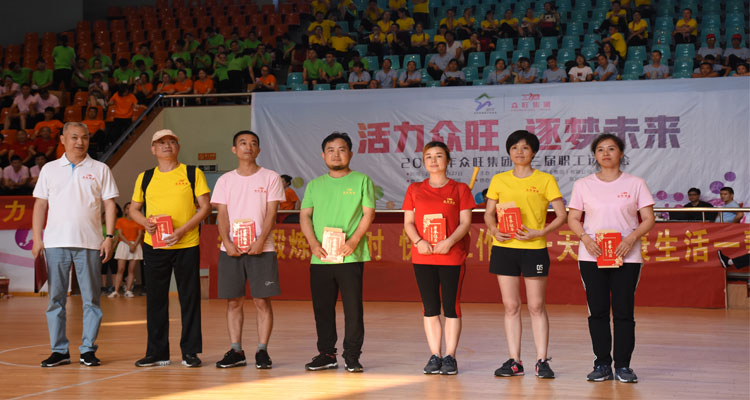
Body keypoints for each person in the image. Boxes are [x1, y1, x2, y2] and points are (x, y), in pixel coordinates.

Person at [567, 133, 656, 383]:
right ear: (595, 156)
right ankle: (602, 364)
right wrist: (586, 239)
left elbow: (648, 218)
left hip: (626, 256)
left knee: (623, 312)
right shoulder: (583, 185)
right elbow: (573, 218)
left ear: (621, 153)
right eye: (600, 150)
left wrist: (631, 238)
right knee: (597, 312)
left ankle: (624, 366)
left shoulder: (636, 183)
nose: (605, 153)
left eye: (611, 148)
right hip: (592, 256)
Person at [32, 121, 119, 367]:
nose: (80, 142)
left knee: (91, 299)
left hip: (90, 243)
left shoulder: (100, 168)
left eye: (85, 137)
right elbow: (40, 205)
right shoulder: (49, 169)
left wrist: (109, 237)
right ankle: (59, 351)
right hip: (55, 243)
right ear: (63, 139)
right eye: (74, 137)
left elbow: (110, 204)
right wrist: (37, 239)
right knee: (56, 300)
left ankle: (88, 349)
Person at [485, 130, 567, 379]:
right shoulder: (499, 180)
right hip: (504, 249)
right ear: (508, 152)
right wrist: (494, 230)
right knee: (511, 306)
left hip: (534, 249)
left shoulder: (545, 179)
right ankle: (515, 361)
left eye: (525, 148)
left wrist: (540, 232)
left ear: (534, 152)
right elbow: (489, 214)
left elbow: (562, 215)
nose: (519, 152)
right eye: (514, 148)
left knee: (536, 306)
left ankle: (542, 361)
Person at [129, 129, 211, 368]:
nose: (167, 145)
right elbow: (134, 208)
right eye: (161, 142)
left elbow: (205, 207)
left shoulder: (192, 173)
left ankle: (190, 352)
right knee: (156, 299)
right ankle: (157, 353)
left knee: (189, 297)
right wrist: (145, 222)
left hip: (187, 243)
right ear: (153, 149)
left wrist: (183, 230)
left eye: (172, 142)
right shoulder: (145, 177)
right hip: (154, 245)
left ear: (178, 146)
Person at [300, 132, 375, 373]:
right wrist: (313, 244)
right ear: (323, 155)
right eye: (330, 150)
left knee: (353, 309)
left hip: (350, 255)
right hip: (321, 256)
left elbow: (368, 214)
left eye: (341, 149)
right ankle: (327, 354)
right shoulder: (314, 185)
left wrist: (354, 240)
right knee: (322, 309)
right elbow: (305, 215)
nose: (336, 154)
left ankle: (352, 355)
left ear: (350, 154)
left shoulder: (361, 180)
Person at [212, 131, 285, 369]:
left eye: (253, 143)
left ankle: (262, 351)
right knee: (233, 301)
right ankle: (236, 351)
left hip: (262, 249)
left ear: (259, 150)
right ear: (234, 149)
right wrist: (227, 242)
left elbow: (272, 213)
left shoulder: (271, 177)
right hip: (231, 249)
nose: (248, 147)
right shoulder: (225, 180)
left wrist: (260, 240)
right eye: (242, 143)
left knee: (262, 300)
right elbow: (222, 215)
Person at [402, 141, 475, 375]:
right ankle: (435, 355)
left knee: (452, 306)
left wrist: (449, 242)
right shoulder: (414, 189)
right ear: (424, 161)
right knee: (430, 307)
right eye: (429, 156)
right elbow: (408, 222)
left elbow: (465, 223)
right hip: (423, 256)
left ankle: (450, 356)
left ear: (448, 160)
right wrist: (419, 242)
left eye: (439, 156)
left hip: (451, 256)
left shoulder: (460, 189)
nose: (434, 160)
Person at [110, 201, 144, 298]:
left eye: (131, 208)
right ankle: (116, 291)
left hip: (135, 245)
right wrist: (129, 244)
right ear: (125, 210)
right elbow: (120, 234)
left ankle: (128, 290)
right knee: (120, 269)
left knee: (131, 270)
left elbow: (140, 234)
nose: (129, 210)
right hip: (124, 245)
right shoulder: (120, 221)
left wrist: (134, 245)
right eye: (127, 208)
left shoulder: (139, 221)